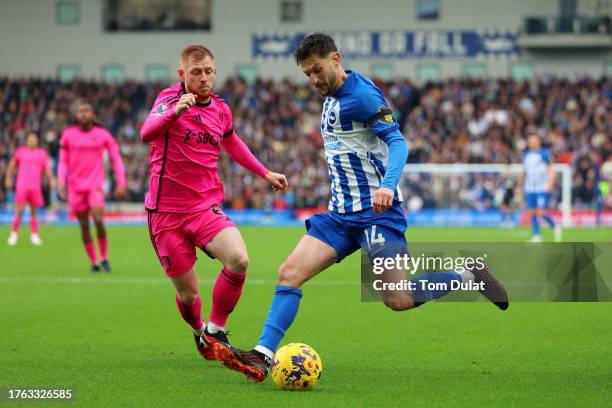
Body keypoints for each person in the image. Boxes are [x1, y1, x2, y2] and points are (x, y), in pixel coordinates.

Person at [213, 32, 509, 382]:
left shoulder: (362, 96)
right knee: (289, 274)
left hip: (378, 217)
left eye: (318, 70)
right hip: (340, 216)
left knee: (397, 299)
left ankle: (468, 275)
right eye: (307, 74)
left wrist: (387, 184)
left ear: (335, 59)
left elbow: (398, 144)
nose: (313, 79)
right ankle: (263, 355)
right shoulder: (333, 94)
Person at [140, 45, 288, 361]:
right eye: (196, 72)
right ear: (183, 74)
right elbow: (146, 133)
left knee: (239, 259)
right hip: (165, 214)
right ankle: (199, 329)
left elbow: (232, 142)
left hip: (204, 207)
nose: (204, 78)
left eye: (209, 71)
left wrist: (264, 172)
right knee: (188, 294)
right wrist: (175, 112)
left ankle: (216, 331)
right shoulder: (168, 100)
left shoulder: (221, 109)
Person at [57, 100, 127, 272]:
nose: (83, 113)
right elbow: (63, 161)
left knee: (98, 220)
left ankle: (104, 257)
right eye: (80, 111)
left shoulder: (102, 134)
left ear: (92, 114)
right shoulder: (68, 135)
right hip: (75, 187)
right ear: (76, 115)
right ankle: (94, 262)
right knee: (84, 226)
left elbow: (116, 159)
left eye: (86, 110)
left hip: (95, 186)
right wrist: (60, 182)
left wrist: (121, 182)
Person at [5, 132, 55, 246]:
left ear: (37, 141)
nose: (32, 141)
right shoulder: (20, 152)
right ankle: (14, 234)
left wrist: (52, 179)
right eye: (30, 139)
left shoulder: (41, 154)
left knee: (34, 211)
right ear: (27, 140)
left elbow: (46, 169)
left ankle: (34, 235)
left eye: (34, 139)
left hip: (35, 186)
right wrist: (8, 178)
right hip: (22, 185)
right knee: (20, 210)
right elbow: (12, 165)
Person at [518, 133, 562, 242]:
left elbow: (551, 168)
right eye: (530, 140)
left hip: (541, 187)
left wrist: (550, 182)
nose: (532, 142)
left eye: (534, 140)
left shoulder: (544, 154)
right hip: (530, 187)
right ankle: (537, 236)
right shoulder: (526, 155)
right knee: (532, 211)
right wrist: (520, 185)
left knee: (541, 212)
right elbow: (524, 171)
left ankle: (555, 226)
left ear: (538, 141)